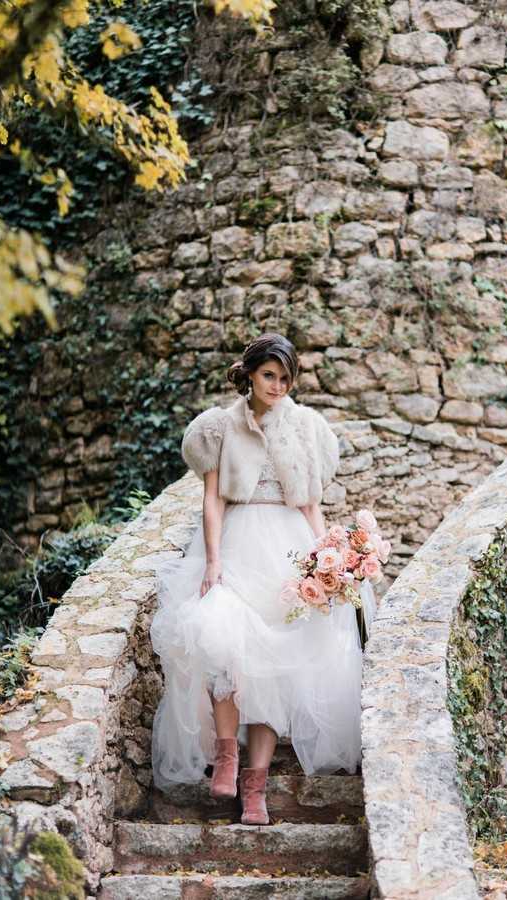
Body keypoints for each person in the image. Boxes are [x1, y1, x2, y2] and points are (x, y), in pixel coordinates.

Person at [149, 332, 375, 826]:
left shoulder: (307, 428)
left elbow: (312, 505)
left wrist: (329, 562)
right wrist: (212, 562)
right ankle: (226, 755)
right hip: (237, 540)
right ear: (250, 373)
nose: (277, 385)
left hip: (290, 548)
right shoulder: (218, 428)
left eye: (285, 378)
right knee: (222, 640)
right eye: (269, 375)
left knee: (281, 663)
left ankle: (257, 788)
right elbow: (212, 500)